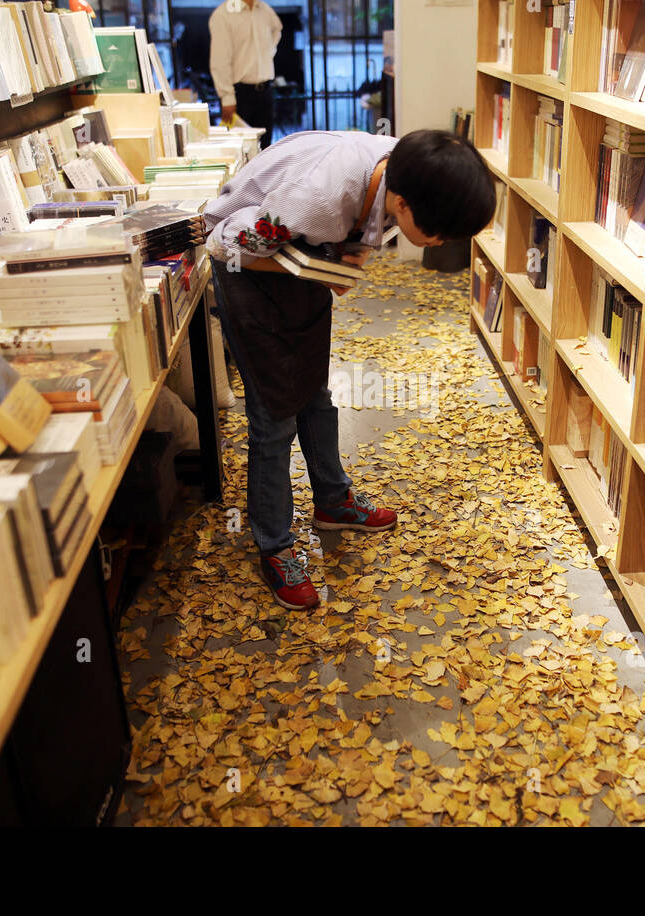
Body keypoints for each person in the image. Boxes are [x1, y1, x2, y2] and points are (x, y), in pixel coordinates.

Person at [203, 129, 496, 611]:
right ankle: (275, 545)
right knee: (274, 417)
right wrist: (321, 268)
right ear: (404, 203)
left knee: (316, 395)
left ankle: (332, 501)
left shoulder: (409, 167)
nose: (441, 243)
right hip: (248, 268)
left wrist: (340, 259)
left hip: (295, 258)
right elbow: (225, 245)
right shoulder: (317, 197)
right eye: (440, 233)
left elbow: (362, 229)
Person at [209, 0, 281, 149]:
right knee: (241, 152)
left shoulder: (264, 10)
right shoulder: (223, 15)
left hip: (265, 91)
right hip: (240, 95)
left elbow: (277, 29)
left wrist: (266, 54)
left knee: (265, 151)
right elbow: (220, 61)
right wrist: (227, 98)